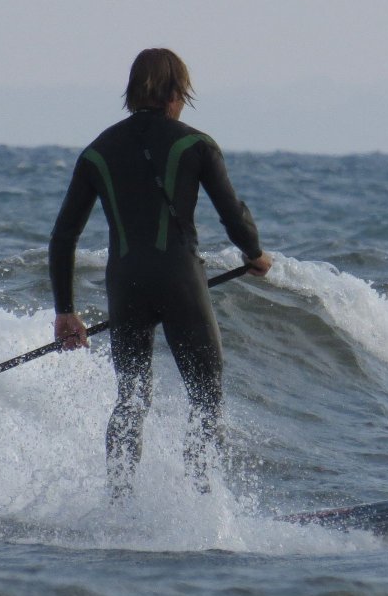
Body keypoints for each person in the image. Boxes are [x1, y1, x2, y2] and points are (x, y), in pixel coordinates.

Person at [48, 48, 272, 498]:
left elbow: (63, 237)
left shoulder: (97, 151)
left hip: (126, 286)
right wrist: (255, 254)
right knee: (206, 399)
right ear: (176, 90)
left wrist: (65, 312)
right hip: (179, 281)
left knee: (131, 400)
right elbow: (232, 215)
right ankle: (201, 502)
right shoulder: (196, 144)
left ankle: (119, 503)